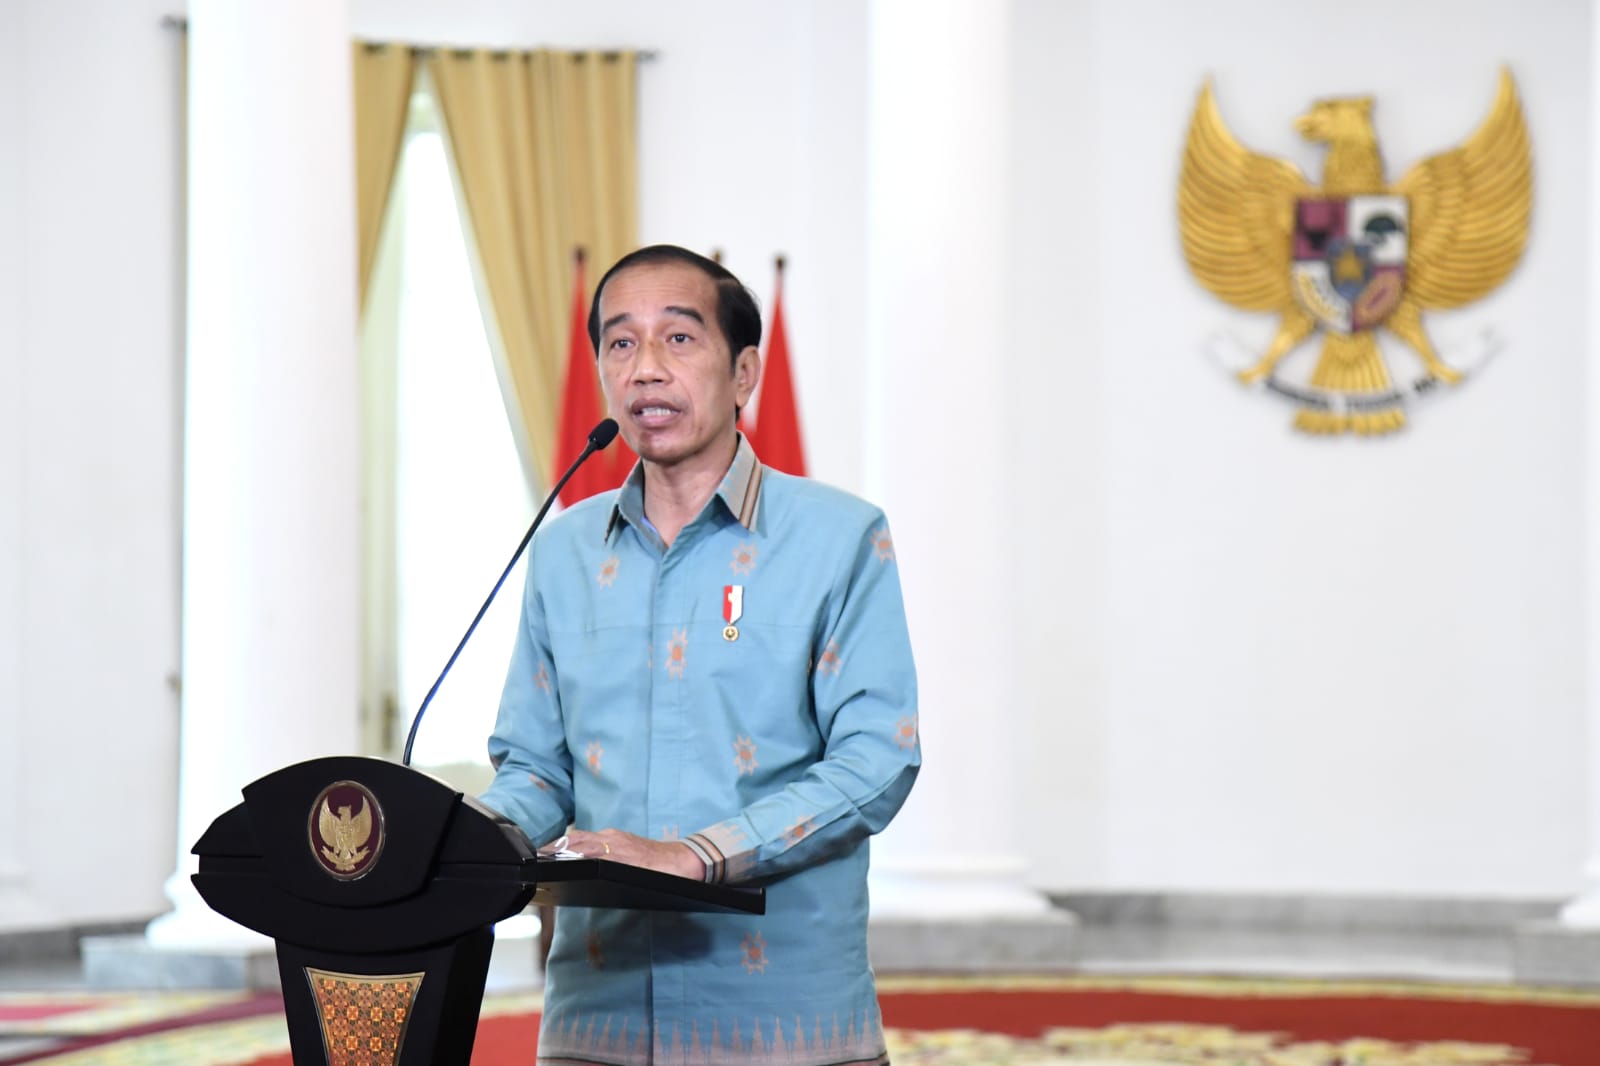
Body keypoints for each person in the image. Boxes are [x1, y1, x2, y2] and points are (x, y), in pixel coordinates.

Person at [480, 244, 920, 1065]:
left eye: (678, 338)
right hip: (598, 1014)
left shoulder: (840, 539)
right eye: (621, 342)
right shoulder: (564, 551)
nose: (646, 367)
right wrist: (474, 837)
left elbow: (877, 760)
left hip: (782, 1020)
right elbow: (537, 768)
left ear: (744, 372)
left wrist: (696, 856)